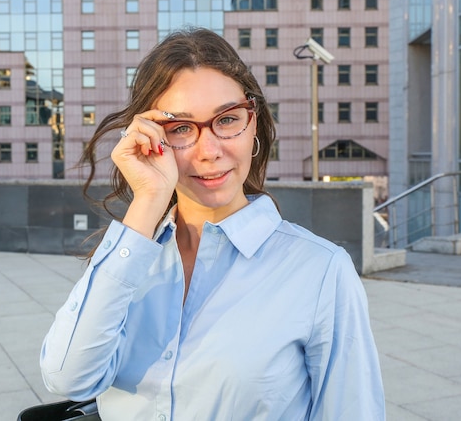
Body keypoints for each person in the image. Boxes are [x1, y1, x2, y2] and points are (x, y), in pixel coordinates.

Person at [40, 27, 385, 420]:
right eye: (181, 128)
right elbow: (68, 378)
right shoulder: (129, 259)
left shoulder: (321, 270)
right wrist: (147, 202)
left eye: (227, 119)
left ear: (254, 123)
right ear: (151, 138)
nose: (209, 152)